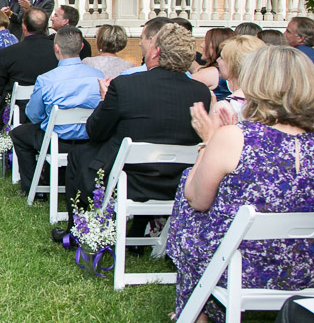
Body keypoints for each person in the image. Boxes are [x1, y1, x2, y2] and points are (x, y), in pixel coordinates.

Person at [167, 46, 314, 322]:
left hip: (236, 263)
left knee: (189, 196)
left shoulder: (235, 137)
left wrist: (208, 141)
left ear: (257, 83)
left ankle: (196, 312)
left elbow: (197, 199)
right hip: (303, 267)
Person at [60, 23, 210, 241]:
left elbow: (95, 131)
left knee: (79, 154)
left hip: (127, 180)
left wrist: (104, 100)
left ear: (156, 51)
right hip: (176, 181)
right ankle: (138, 231)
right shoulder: (201, 92)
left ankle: (76, 231)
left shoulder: (125, 85)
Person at [12, 26, 103, 195]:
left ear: (56, 48)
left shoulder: (47, 79)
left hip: (56, 141)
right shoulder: (98, 76)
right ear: (81, 47)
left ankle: (33, 187)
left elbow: (34, 115)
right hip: (89, 141)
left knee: (18, 134)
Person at [0, 7, 60, 127]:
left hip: (17, 111)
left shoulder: (8, 53)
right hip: (51, 110)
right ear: (45, 28)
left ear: (24, 27)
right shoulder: (58, 51)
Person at [213, 35, 265, 121]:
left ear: (233, 64)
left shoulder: (225, 108)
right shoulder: (272, 102)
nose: (217, 60)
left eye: (222, 57)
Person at [190, 27, 235, 101]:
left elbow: (181, 85)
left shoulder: (213, 72)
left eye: (206, 41)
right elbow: (196, 68)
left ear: (215, 46)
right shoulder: (227, 71)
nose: (201, 45)